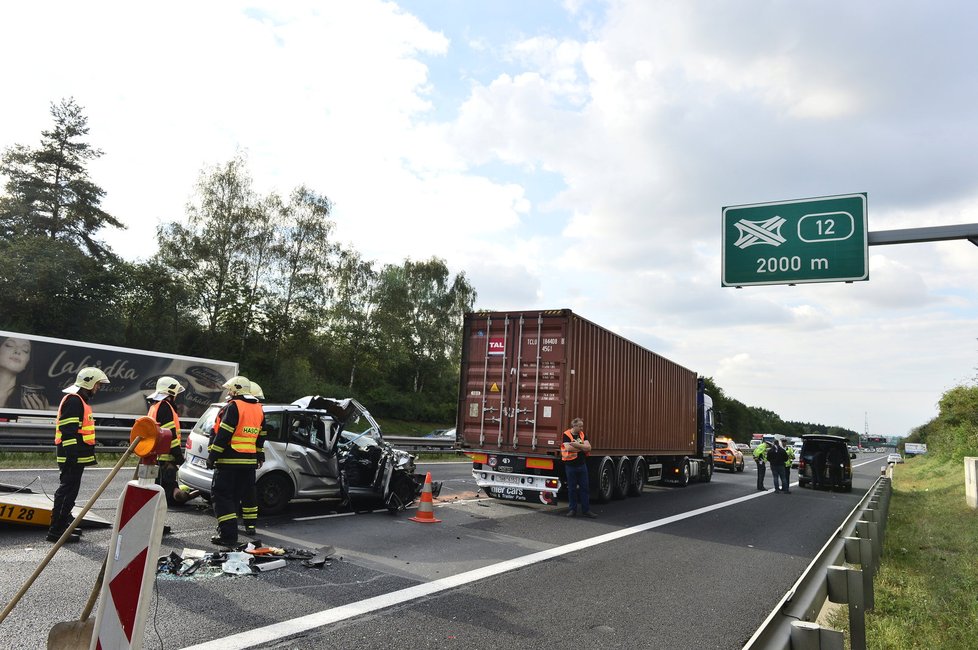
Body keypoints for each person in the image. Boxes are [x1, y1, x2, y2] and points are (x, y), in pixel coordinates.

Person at [47, 367, 110, 543]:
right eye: (97, 384)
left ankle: (64, 525)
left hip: (74, 456)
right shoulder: (74, 401)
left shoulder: (79, 400)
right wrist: (72, 456)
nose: (98, 388)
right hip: (71, 456)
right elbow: (68, 431)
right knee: (66, 492)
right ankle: (56, 531)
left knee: (70, 492)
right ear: (89, 383)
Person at [207, 376, 266, 546]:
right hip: (248, 464)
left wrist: (212, 457)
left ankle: (228, 536)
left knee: (222, 497)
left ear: (235, 390)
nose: (229, 392)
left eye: (230, 389)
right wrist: (259, 456)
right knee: (235, 497)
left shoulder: (234, 407)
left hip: (228, 461)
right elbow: (261, 436)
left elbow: (223, 434)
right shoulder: (258, 409)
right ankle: (229, 530)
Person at [147, 376, 186, 507]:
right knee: (166, 496)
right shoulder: (166, 407)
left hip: (155, 455)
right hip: (166, 458)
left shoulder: (155, 406)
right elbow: (170, 436)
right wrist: (179, 457)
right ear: (172, 393)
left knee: (158, 489)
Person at [0, 336, 50, 410]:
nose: (17, 351)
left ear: (27, 363)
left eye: (25, 350)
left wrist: (37, 417)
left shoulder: (33, 400)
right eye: (9, 345)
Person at [562, 417, 596, 518]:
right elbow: (568, 448)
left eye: (582, 426)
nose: (582, 428)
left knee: (585, 488)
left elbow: (589, 447)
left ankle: (586, 510)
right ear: (574, 426)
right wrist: (582, 446)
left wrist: (576, 445)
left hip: (582, 465)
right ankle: (572, 510)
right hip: (570, 466)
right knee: (572, 489)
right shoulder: (566, 434)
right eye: (580, 426)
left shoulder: (582, 434)